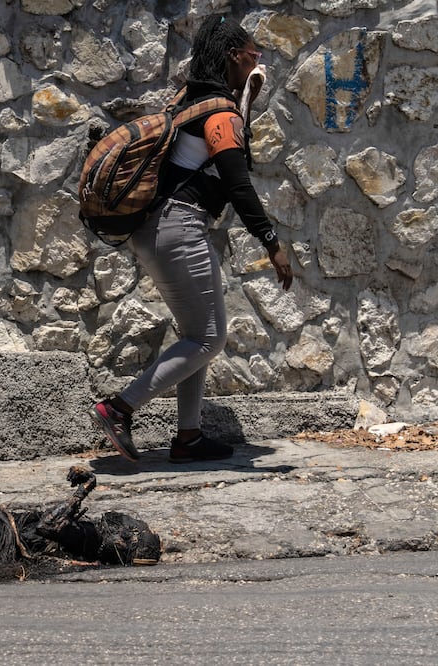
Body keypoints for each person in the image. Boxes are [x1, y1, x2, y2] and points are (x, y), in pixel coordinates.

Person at [90, 15, 294, 464]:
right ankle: (119, 408)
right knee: (209, 340)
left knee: (195, 336)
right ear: (233, 56)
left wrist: (247, 97)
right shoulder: (219, 114)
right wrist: (272, 245)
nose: (258, 61)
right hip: (178, 226)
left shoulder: (190, 100)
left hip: (157, 229)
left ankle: (189, 438)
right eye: (253, 55)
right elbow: (238, 185)